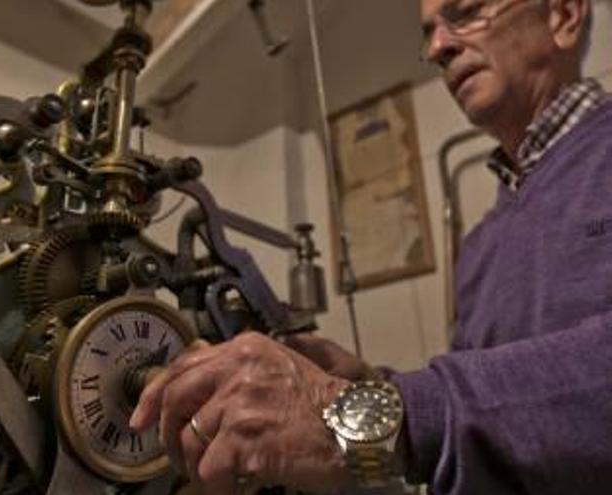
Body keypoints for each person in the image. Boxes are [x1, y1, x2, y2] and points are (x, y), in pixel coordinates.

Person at [130, 0, 612, 493]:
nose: (437, 47)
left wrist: (369, 420)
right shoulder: (482, 244)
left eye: (464, 13)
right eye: (429, 33)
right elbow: (483, 420)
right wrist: (366, 388)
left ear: (563, 16)